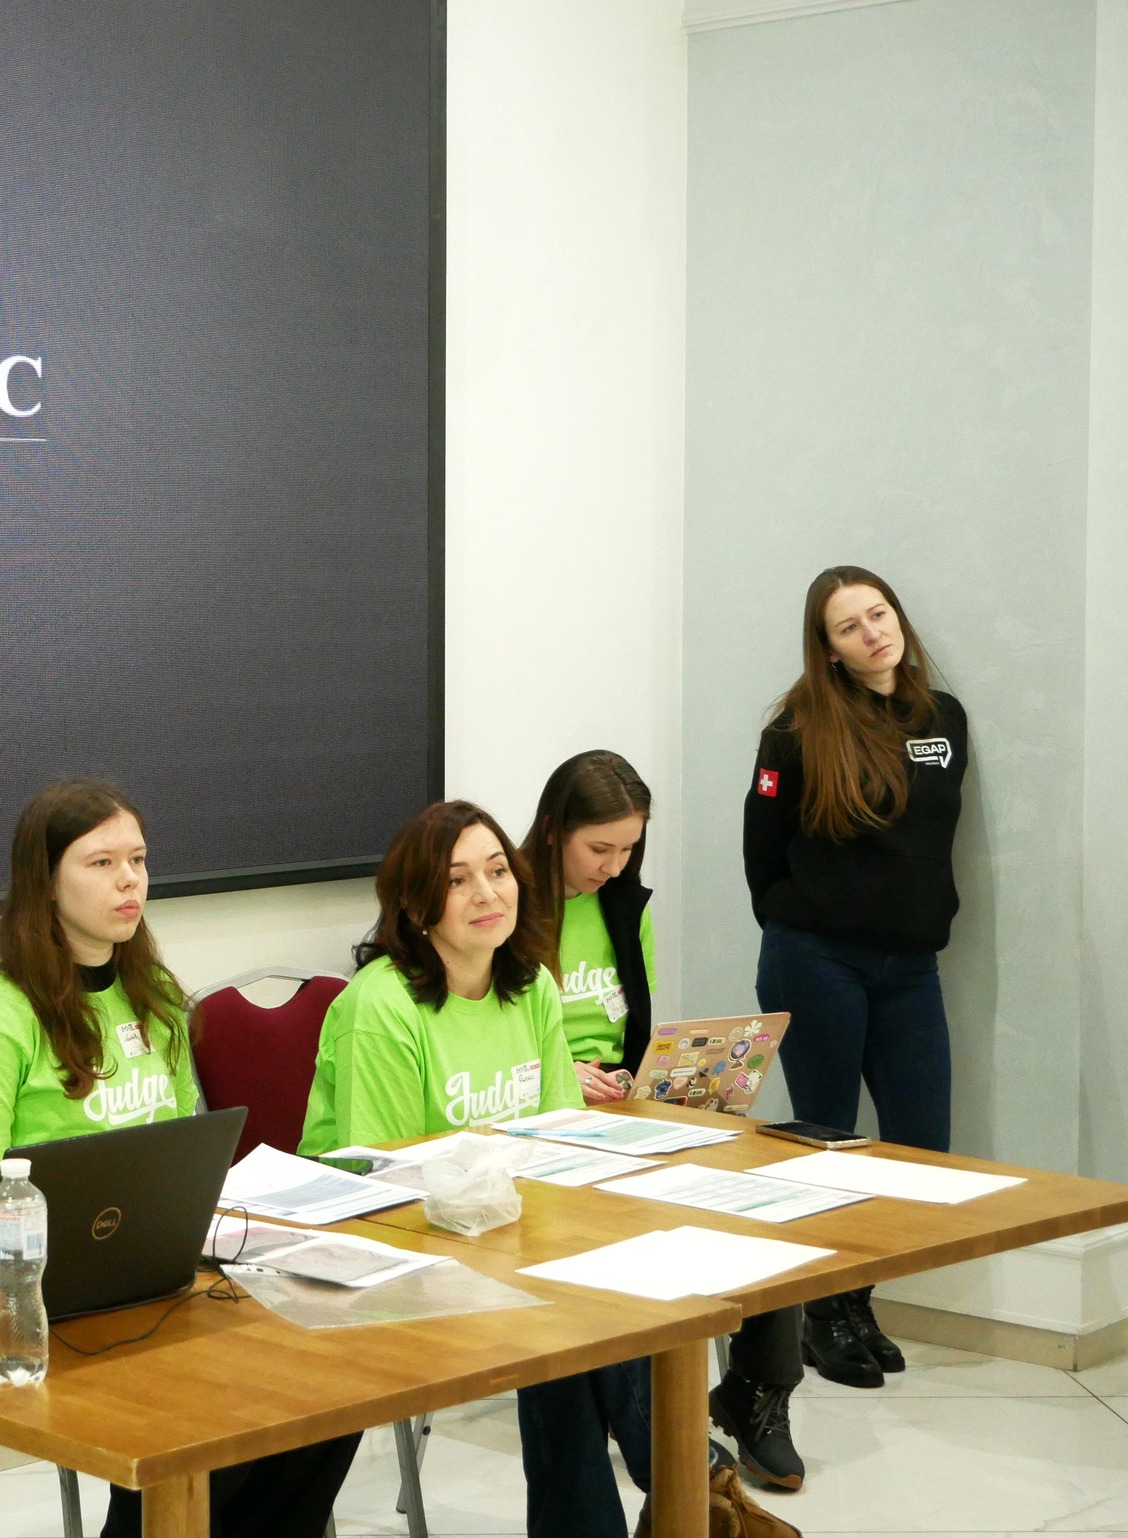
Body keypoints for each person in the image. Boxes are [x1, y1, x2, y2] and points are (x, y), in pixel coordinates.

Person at [299, 799, 797, 1538]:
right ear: (415, 903)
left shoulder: (530, 982)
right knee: (575, 1319)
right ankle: (697, 1484)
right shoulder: (382, 1006)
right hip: (383, 1245)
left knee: (587, 1320)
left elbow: (564, 1140)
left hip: (508, 1229)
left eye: (498, 871)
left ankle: (686, 1490)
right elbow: (392, 1182)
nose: (487, 893)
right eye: (458, 880)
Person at [0, 779, 359, 1538]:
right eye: (101, 863)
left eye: (139, 860)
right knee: (208, 1412)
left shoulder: (152, 994)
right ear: (45, 882)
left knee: (334, 1381)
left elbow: (181, 1154)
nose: (130, 880)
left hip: (157, 1270)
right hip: (36, 1294)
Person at [524, 752, 808, 1494]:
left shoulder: (624, 905)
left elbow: (637, 1026)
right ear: (553, 831)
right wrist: (561, 1076)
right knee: (634, 1225)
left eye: (629, 849)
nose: (614, 866)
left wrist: (659, 1076)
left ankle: (758, 1390)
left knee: (767, 1190)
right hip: (543, 1122)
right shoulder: (507, 907)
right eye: (600, 848)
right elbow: (497, 1039)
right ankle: (661, 1431)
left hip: (619, 1110)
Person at [744, 566, 967, 1393]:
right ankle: (825, 1312)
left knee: (920, 1150)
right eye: (850, 626)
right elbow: (761, 849)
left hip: (911, 968)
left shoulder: (944, 720)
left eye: (879, 614)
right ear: (829, 649)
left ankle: (855, 1299)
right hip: (817, 960)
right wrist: (798, 921)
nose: (873, 633)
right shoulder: (794, 733)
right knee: (829, 1143)